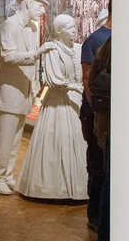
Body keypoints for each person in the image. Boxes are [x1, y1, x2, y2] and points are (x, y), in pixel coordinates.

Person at [0, 0, 56, 195]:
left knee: (16, 140)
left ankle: (7, 175)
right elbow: (8, 56)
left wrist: (35, 87)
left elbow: (31, 61)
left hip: (24, 92)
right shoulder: (10, 25)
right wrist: (37, 53)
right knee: (5, 140)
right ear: (28, 4)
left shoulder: (32, 28)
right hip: (9, 93)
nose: (43, 11)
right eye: (40, 6)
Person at [16, 15, 88, 200]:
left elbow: (80, 75)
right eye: (69, 27)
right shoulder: (51, 50)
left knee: (76, 141)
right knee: (55, 141)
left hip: (74, 103)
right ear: (59, 31)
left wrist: (77, 87)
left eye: (74, 26)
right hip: (57, 102)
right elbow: (54, 80)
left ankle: (78, 186)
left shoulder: (78, 49)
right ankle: (51, 188)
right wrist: (75, 87)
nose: (74, 30)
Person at [80, 0, 111, 231]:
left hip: (105, 115)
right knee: (98, 166)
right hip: (100, 116)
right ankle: (96, 218)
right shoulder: (95, 40)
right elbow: (88, 81)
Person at [88, 38, 110, 241]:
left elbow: (91, 82)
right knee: (109, 176)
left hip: (104, 120)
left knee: (107, 174)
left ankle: (104, 233)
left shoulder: (105, 50)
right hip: (110, 120)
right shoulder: (108, 48)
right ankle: (106, 233)